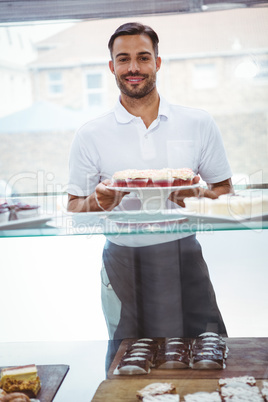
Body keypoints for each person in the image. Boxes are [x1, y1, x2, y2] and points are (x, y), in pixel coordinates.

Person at [67, 22, 233, 340]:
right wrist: (99, 201)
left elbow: (225, 191)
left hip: (185, 257)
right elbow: (75, 206)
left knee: (207, 355)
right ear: (112, 66)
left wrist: (198, 196)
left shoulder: (198, 122)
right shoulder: (90, 134)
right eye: (123, 58)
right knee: (127, 364)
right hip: (122, 262)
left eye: (143, 57)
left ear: (157, 62)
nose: (133, 67)